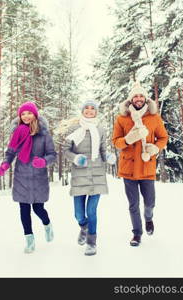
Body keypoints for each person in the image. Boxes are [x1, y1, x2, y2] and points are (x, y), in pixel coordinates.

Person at [112, 82, 168, 247]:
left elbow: (163, 138)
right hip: (128, 168)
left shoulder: (154, 118)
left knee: (149, 202)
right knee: (133, 204)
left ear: (146, 98)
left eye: (141, 95)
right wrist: (128, 139)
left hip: (146, 165)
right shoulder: (122, 118)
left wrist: (155, 148)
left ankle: (148, 218)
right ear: (131, 99)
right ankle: (137, 233)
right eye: (135, 96)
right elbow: (116, 142)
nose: (138, 98)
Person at [0, 101, 57, 254]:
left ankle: (47, 224)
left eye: (29, 113)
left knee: (38, 209)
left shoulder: (43, 134)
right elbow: (10, 152)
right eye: (23, 114)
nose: (26, 116)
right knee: (24, 210)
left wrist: (43, 161)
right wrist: (5, 165)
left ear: (35, 114)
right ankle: (29, 240)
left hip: (38, 178)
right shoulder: (17, 132)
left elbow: (52, 154)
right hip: (21, 177)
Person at [60, 100, 116, 256]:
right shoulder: (74, 129)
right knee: (78, 214)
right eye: (87, 108)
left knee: (92, 211)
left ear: (96, 112)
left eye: (93, 109)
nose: (90, 111)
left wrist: (109, 157)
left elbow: (103, 150)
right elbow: (66, 150)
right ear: (82, 110)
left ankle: (92, 242)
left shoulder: (100, 129)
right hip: (79, 174)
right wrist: (76, 158)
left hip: (97, 175)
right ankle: (83, 226)